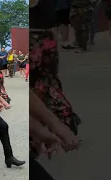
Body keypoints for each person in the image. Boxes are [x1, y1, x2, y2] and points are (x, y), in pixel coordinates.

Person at [30, 0, 81, 134]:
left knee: (50, 80)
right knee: (37, 83)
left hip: (47, 37)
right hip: (34, 39)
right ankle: (45, 125)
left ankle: (56, 122)